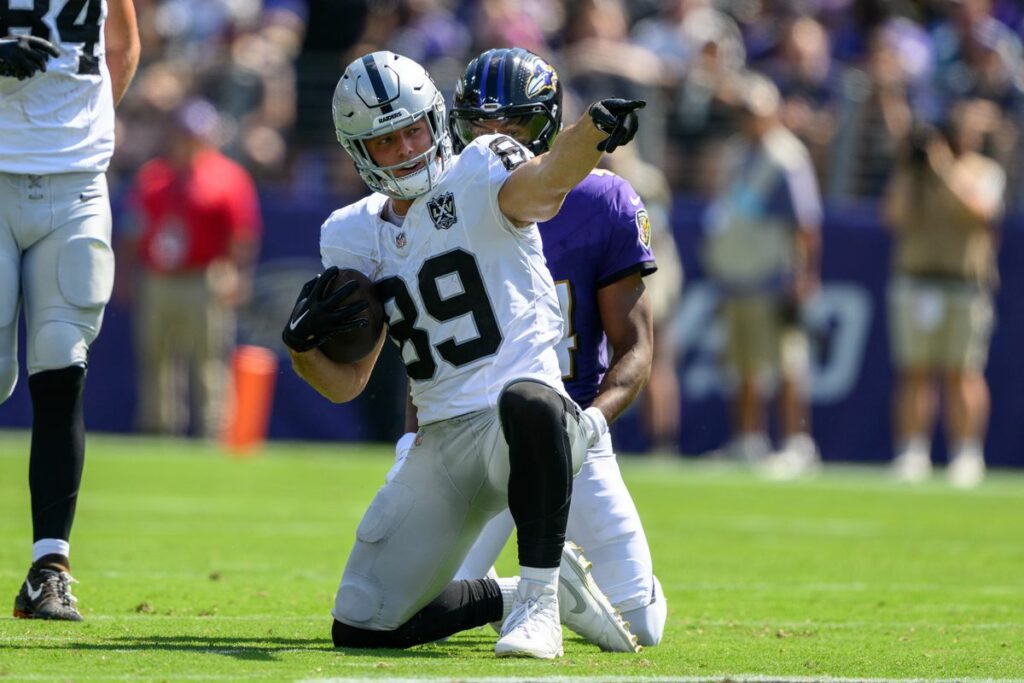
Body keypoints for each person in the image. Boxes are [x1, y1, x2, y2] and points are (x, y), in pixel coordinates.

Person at [281, 50, 645, 658]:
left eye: (412, 130)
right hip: (443, 443)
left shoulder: (484, 165)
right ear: (357, 151)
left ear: (436, 119)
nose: (404, 149)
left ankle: (538, 603)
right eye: (384, 142)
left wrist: (593, 132)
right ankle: (514, 594)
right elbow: (347, 383)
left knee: (528, 399)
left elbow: (548, 180)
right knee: (364, 623)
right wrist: (300, 350)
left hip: (530, 430)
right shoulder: (348, 233)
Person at [390, 47, 667, 647]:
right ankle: (524, 590)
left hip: (569, 430)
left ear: (544, 123)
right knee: (413, 606)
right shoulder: (440, 205)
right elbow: (433, 349)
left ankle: (560, 584)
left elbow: (636, 345)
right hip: (475, 434)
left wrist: (591, 423)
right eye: (478, 125)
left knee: (641, 626)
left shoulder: (603, 202)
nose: (492, 139)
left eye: (510, 123)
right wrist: (415, 438)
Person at [1, 0, 140, 620]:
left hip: (77, 180)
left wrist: (84, 130)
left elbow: (125, 43)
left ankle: (49, 569)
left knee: (63, 361)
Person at [699, 71, 822, 478]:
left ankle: (796, 443)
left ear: (771, 113)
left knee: (785, 364)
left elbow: (806, 224)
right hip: (737, 277)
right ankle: (747, 440)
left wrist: (804, 277)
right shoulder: (737, 152)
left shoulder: (787, 158)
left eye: (753, 112)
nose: (747, 119)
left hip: (773, 276)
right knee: (743, 363)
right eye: (743, 112)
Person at [121, 99, 262, 438]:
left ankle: (212, 433)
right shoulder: (154, 176)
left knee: (209, 362)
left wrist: (238, 277)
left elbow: (243, 236)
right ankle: (158, 430)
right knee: (156, 360)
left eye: (196, 136)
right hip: (158, 278)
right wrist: (126, 275)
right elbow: (132, 231)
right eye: (184, 135)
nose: (189, 142)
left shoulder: (228, 177)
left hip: (204, 277)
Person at [883, 100, 1004, 488]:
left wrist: (942, 167)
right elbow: (893, 216)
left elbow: (980, 210)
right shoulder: (916, 174)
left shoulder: (984, 171)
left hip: (964, 283)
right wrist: (910, 166)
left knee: (963, 372)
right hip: (917, 281)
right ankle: (912, 450)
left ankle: (967, 454)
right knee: (915, 371)